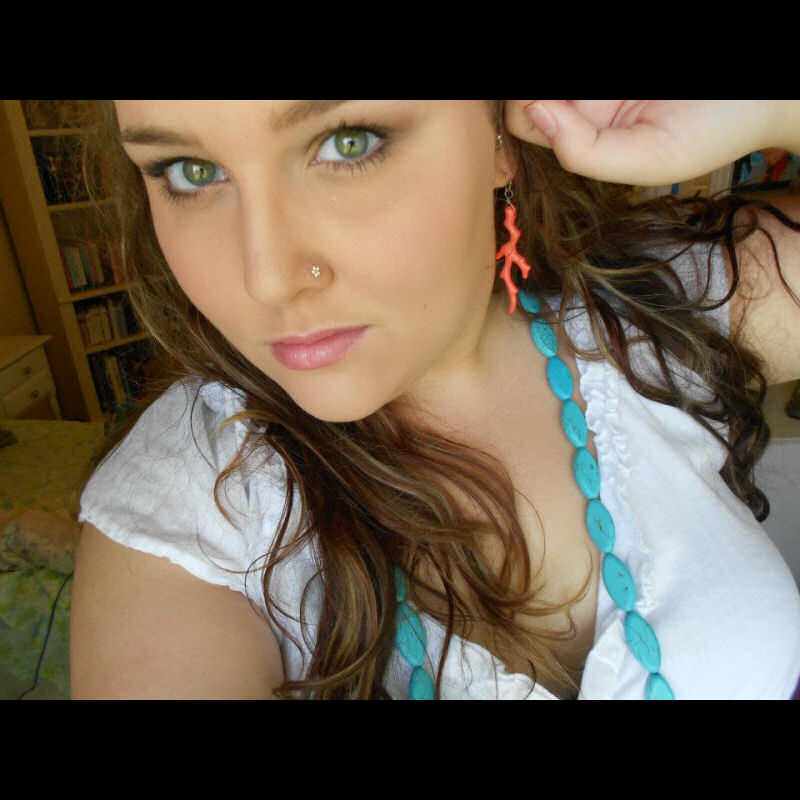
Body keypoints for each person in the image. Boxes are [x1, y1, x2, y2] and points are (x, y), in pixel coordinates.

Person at [70, 100, 800, 700]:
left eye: (348, 142)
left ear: (502, 135)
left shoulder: (652, 309)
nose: (267, 278)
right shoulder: (187, 506)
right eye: (190, 171)